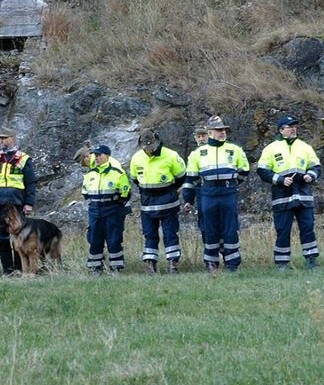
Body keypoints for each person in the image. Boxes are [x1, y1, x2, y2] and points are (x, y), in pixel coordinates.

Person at [182, 115, 250, 273]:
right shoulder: (199, 153)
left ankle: (232, 263)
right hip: (208, 194)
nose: (223, 133)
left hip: (228, 193)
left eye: (224, 130)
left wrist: (230, 184)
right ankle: (211, 263)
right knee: (210, 228)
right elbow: (192, 177)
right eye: (219, 130)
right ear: (210, 132)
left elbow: (244, 172)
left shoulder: (235, 150)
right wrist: (204, 188)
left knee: (230, 228)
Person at [257, 114, 322, 269]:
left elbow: (316, 166)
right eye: (290, 126)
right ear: (281, 130)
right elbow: (262, 171)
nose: (294, 129)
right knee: (283, 230)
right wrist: (280, 180)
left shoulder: (305, 146)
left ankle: (311, 259)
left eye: (295, 126)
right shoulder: (270, 149)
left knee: (307, 227)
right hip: (282, 196)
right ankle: (282, 262)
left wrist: (310, 175)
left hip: (303, 194)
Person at [129, 128, 187, 273]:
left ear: (157, 141)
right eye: (146, 148)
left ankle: (173, 263)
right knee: (149, 235)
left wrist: (169, 191)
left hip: (168, 203)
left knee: (170, 234)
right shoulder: (136, 158)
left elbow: (181, 177)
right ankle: (150, 264)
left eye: (151, 147)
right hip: (147, 205)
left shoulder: (171, 155)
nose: (149, 150)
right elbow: (135, 179)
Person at [0, 129, 38, 275]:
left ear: (13, 138)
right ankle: (7, 270)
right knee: (2, 238)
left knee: (20, 237)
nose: (1, 141)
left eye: (4, 138)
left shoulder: (23, 158)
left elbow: (31, 182)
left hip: (17, 203)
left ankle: (19, 268)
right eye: (0, 139)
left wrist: (29, 203)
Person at [82, 145, 131, 273]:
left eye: (99, 155)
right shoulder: (90, 174)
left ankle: (115, 268)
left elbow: (125, 194)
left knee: (114, 240)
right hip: (94, 212)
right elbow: (85, 193)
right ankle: (95, 268)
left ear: (107, 156)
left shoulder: (118, 173)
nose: (96, 158)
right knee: (94, 240)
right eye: (95, 155)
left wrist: (114, 206)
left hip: (112, 211)